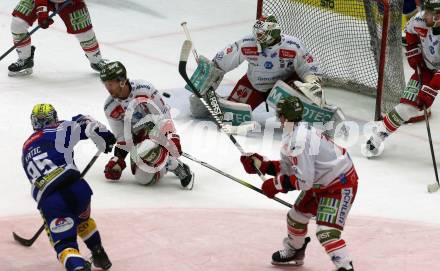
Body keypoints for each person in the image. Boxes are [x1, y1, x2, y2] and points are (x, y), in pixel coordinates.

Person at [240, 97, 358, 271]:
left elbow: (303, 180)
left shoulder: (299, 140)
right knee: (296, 218)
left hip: (339, 185)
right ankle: (295, 251)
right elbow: (293, 168)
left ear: (283, 116)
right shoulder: (294, 130)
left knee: (326, 232)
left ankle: (345, 267)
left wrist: (276, 185)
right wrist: (263, 166)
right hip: (321, 182)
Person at [21, 104, 116, 271]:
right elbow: (87, 122)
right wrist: (106, 137)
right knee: (82, 220)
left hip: (51, 199)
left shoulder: (26, 147)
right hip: (77, 188)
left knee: (65, 243)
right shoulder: (60, 128)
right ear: (54, 117)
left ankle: (77, 267)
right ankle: (99, 253)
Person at [189, 14, 323, 128]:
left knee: (294, 120)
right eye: (257, 34)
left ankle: (312, 109)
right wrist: (207, 75)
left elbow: (308, 66)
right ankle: (210, 101)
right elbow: (222, 60)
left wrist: (312, 81)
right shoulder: (248, 43)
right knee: (230, 118)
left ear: (273, 34)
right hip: (253, 85)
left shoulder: (293, 45)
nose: (257, 38)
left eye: (262, 35)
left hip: (284, 86)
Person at [100, 61, 194, 189]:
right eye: (106, 84)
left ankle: (177, 167)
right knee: (143, 179)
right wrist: (118, 160)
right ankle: (168, 162)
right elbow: (122, 138)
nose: (108, 88)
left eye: (110, 84)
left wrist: (173, 139)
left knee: (147, 147)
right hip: (138, 142)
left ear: (122, 81)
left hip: (157, 134)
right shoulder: (110, 107)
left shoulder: (144, 89)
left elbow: (163, 116)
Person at [365, 0, 440, 157]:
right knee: (408, 107)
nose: (424, 14)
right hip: (427, 67)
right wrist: (414, 51)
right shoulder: (421, 19)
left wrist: (428, 91)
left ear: (438, 17)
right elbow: (410, 31)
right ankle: (378, 135)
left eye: (429, 13)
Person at [8, 0, 107, 76]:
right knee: (18, 22)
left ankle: (96, 61)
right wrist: (42, 13)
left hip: (70, 2)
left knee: (85, 32)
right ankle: (25, 59)